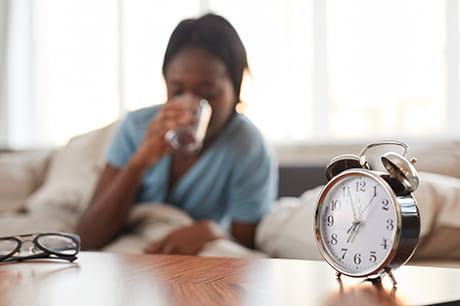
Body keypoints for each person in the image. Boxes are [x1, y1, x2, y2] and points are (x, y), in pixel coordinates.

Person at [76, 13, 278, 255]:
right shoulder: (136, 127)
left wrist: (213, 232)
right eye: (177, 90)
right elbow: (86, 238)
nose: (190, 105)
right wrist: (138, 162)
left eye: (209, 93)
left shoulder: (248, 146)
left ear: (235, 91)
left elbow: (246, 244)